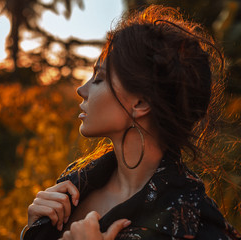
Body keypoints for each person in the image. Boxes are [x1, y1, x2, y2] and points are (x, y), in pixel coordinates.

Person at [22, 5, 241, 240]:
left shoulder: (196, 225)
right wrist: (34, 230)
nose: (81, 89)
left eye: (99, 79)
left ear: (140, 104)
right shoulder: (74, 185)